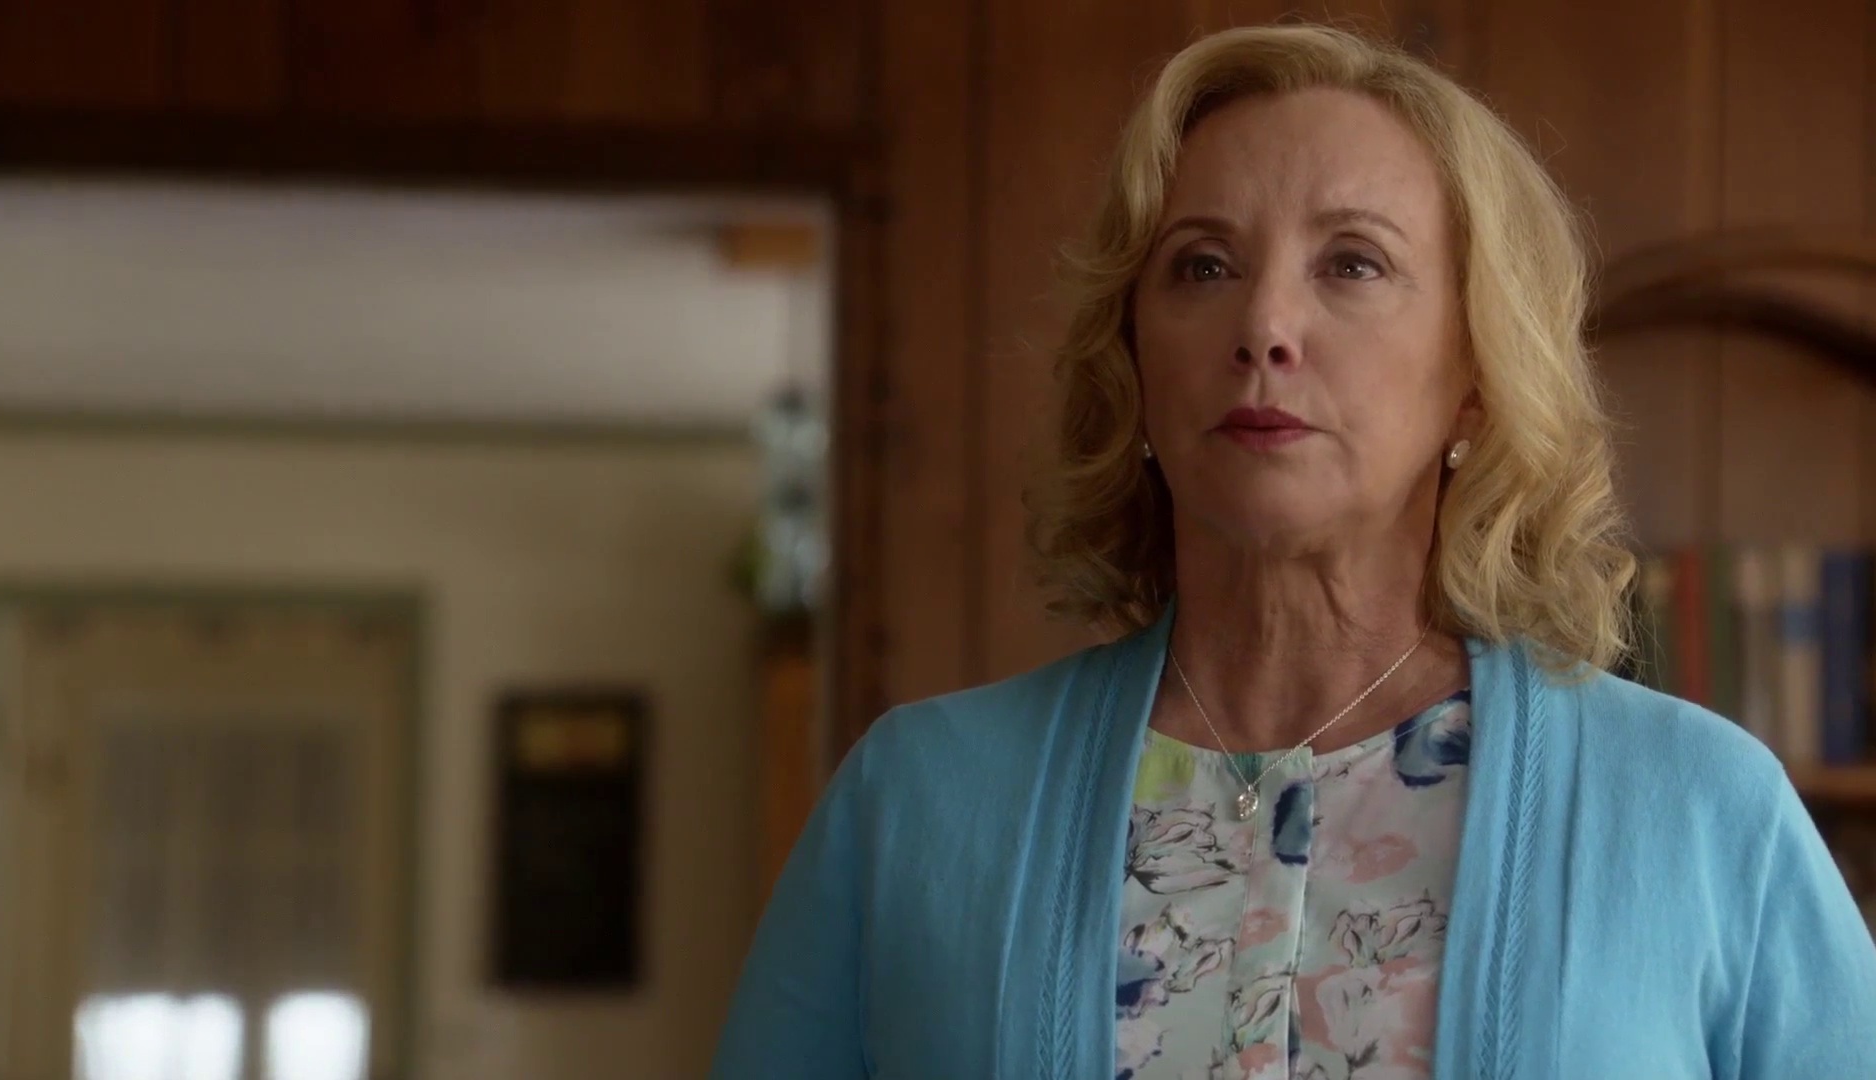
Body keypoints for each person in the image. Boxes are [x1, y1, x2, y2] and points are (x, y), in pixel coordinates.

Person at [709, 23, 1876, 1080]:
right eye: (1202, 266)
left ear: (1476, 376)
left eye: (1352, 263)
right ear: (1134, 359)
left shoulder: (1701, 812)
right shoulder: (916, 801)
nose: (1264, 326)